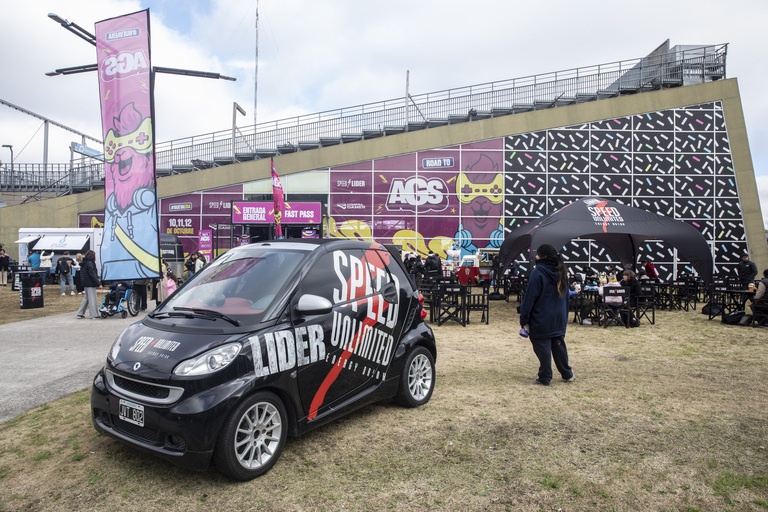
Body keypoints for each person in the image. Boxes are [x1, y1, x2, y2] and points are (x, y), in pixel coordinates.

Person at [518, 244, 575, 386]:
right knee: (559, 345)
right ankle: (567, 373)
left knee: (542, 347)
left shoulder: (538, 273)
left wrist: (524, 317)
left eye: (537, 255)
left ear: (543, 256)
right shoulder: (562, 271)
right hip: (559, 319)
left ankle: (545, 375)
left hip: (541, 319)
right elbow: (566, 297)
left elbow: (530, 298)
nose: (536, 257)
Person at [76, 250, 102, 319]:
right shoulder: (90, 263)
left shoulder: (84, 263)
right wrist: (98, 283)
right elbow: (92, 274)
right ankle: (94, 314)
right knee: (92, 298)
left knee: (86, 298)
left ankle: (80, 313)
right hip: (90, 283)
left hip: (85, 282)